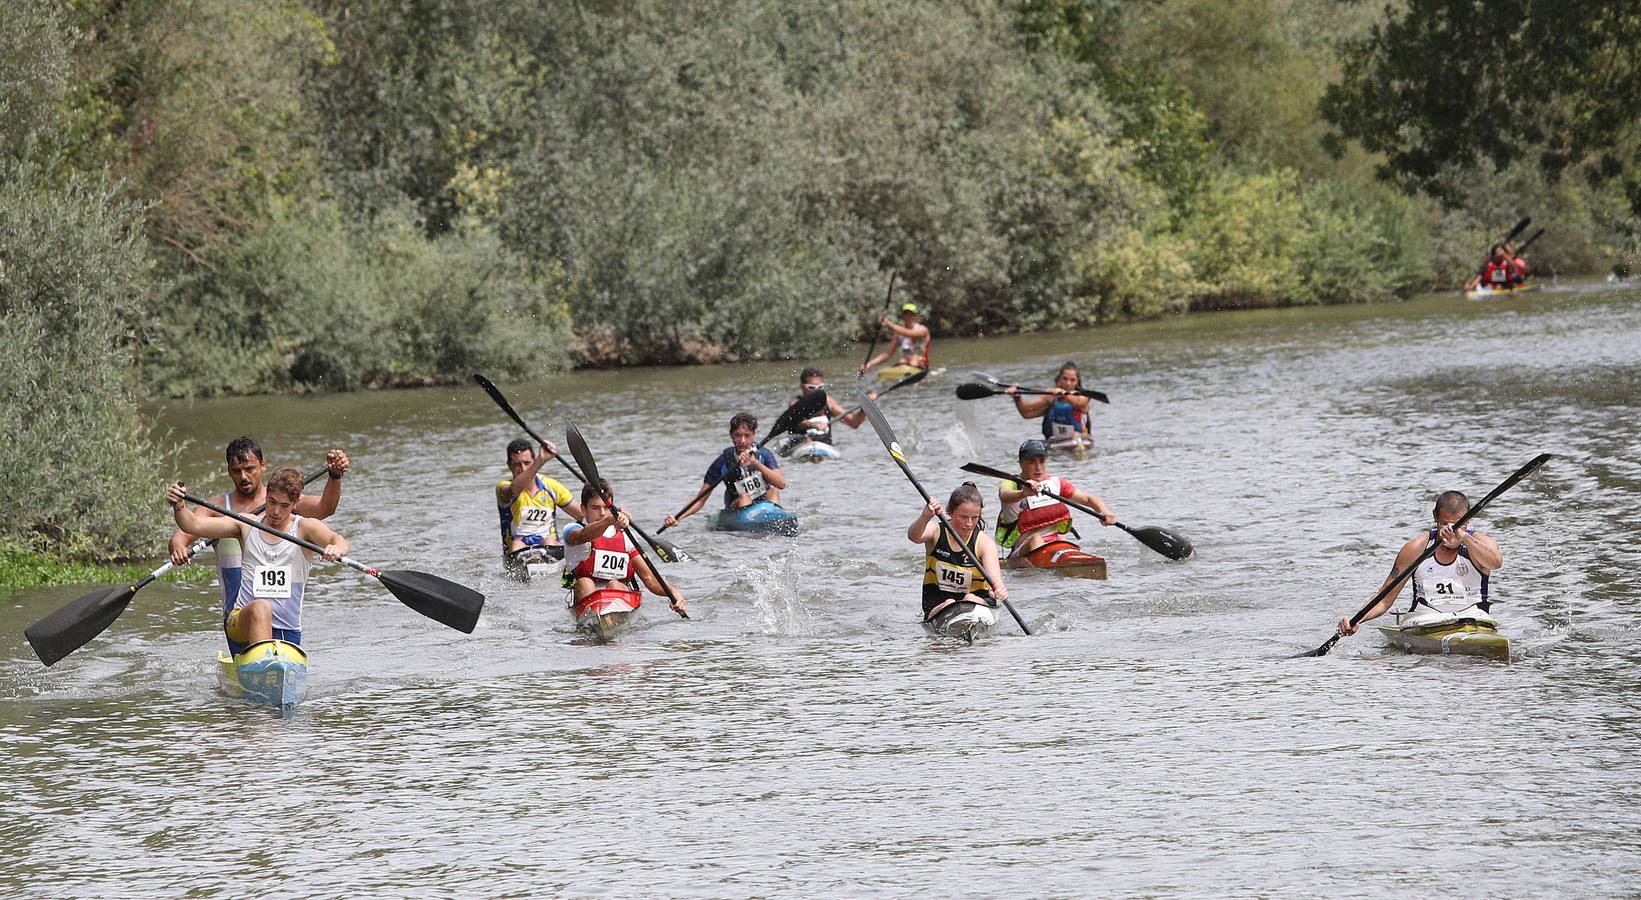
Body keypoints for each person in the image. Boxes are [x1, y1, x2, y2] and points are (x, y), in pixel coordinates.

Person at [167, 467, 348, 653]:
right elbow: (193, 524)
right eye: (272, 502)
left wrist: (336, 549)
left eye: (284, 506)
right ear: (267, 494)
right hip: (240, 624)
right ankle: (263, 664)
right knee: (261, 607)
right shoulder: (246, 524)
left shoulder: (305, 528)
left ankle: (264, 663)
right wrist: (179, 505)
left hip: (288, 630)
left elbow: (339, 540)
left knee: (266, 613)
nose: (276, 511)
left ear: (296, 503)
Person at [167, 436, 348, 617]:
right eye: (237, 471)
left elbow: (326, 508)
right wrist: (179, 546)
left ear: (263, 465)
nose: (243, 476)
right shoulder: (217, 507)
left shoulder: (283, 499)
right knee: (258, 612)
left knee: (266, 613)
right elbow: (186, 530)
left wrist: (335, 477)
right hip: (236, 610)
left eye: (249, 469)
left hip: (280, 609)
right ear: (229, 471)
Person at [1337, 491, 1503, 635]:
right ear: (1435, 517)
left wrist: (1465, 538)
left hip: (1473, 618)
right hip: (1425, 618)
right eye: (1445, 524)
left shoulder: (1481, 543)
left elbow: (1495, 563)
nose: (1451, 531)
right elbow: (1384, 599)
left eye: (1459, 523)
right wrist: (1356, 619)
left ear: (1469, 519)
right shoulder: (1415, 549)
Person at [563, 480, 686, 618]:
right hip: (587, 598)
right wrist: (609, 520)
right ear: (583, 509)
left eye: (606, 507)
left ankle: (610, 620)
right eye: (595, 508)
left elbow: (650, 578)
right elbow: (584, 535)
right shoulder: (572, 530)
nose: (602, 513)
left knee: (614, 584)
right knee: (584, 582)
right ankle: (594, 621)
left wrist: (674, 593)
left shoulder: (625, 536)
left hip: (619, 595)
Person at [906, 482, 1009, 625]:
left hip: (977, 602)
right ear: (950, 512)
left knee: (969, 599)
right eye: (963, 517)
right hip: (940, 605)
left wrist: (998, 591)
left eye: (974, 518)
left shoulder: (985, 544)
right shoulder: (936, 532)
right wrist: (925, 516)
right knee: (949, 603)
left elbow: (996, 582)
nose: (969, 523)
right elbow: (913, 536)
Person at [663, 412, 788, 527]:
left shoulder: (764, 455)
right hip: (738, 505)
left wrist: (755, 463)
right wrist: (678, 517)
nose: (743, 440)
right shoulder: (722, 462)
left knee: (774, 491)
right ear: (731, 435)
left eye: (747, 435)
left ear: (754, 435)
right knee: (745, 497)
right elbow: (700, 499)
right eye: (738, 435)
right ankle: (748, 528)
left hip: (764, 503)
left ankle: (775, 519)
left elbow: (781, 484)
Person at [995, 439, 1116, 558]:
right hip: (1023, 548)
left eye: (1042, 461)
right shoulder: (1010, 484)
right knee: (1036, 540)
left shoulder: (1056, 483)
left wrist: (1104, 511)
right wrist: (1023, 493)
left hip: (1055, 544)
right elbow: (1005, 495)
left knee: (1062, 538)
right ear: (1021, 464)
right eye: (1031, 462)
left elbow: (1088, 498)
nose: (1038, 467)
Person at [496, 438, 583, 560]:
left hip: (548, 544)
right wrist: (540, 460)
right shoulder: (503, 488)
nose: (523, 469)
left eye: (527, 463)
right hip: (517, 548)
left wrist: (608, 515)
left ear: (532, 461)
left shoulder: (552, 487)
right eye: (517, 464)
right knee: (517, 545)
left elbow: (582, 514)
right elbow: (514, 491)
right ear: (509, 465)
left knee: (550, 541)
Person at [780, 367, 870, 453]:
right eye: (811, 388)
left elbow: (854, 423)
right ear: (802, 387)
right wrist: (814, 425)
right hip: (801, 447)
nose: (816, 392)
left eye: (820, 387)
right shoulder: (795, 403)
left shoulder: (828, 402)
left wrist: (865, 408)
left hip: (825, 449)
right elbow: (797, 421)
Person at [1005, 362, 1094, 448]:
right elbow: (1026, 412)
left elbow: (1078, 403)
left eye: (1072, 380)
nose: (1068, 383)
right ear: (1059, 380)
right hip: (1056, 445)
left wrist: (1062, 393)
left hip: (1080, 444)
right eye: (1065, 379)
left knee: (1076, 437)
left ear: (1078, 382)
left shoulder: (1084, 397)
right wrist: (1017, 397)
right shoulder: (1050, 398)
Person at [859, 302, 931, 375]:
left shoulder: (922, 330)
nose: (908, 316)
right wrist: (869, 364)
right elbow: (887, 354)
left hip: (920, 363)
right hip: (905, 363)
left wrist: (889, 324)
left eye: (911, 314)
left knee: (913, 359)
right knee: (902, 361)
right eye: (906, 314)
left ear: (915, 316)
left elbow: (909, 333)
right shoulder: (898, 334)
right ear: (903, 315)